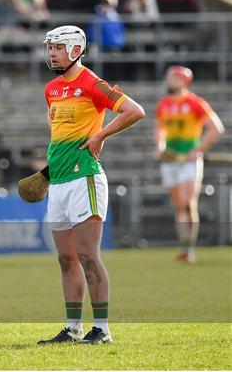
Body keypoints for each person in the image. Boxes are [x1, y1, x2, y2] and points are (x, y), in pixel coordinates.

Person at [37, 25, 145, 344]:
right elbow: (58, 136)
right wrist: (46, 173)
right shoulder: (52, 88)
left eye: (57, 47)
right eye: (51, 48)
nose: (52, 53)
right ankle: (73, 328)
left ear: (74, 50)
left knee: (88, 255)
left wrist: (100, 135)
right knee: (66, 259)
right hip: (59, 182)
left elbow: (133, 111)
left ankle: (102, 330)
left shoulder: (92, 82)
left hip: (85, 178)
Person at [154, 66, 225, 264]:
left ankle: (189, 248)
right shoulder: (164, 104)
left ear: (182, 81)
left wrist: (198, 150)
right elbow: (160, 129)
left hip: (188, 162)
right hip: (170, 161)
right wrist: (159, 146)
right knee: (179, 206)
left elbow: (216, 129)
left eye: (172, 78)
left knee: (187, 203)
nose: (168, 81)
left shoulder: (195, 103)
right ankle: (184, 247)